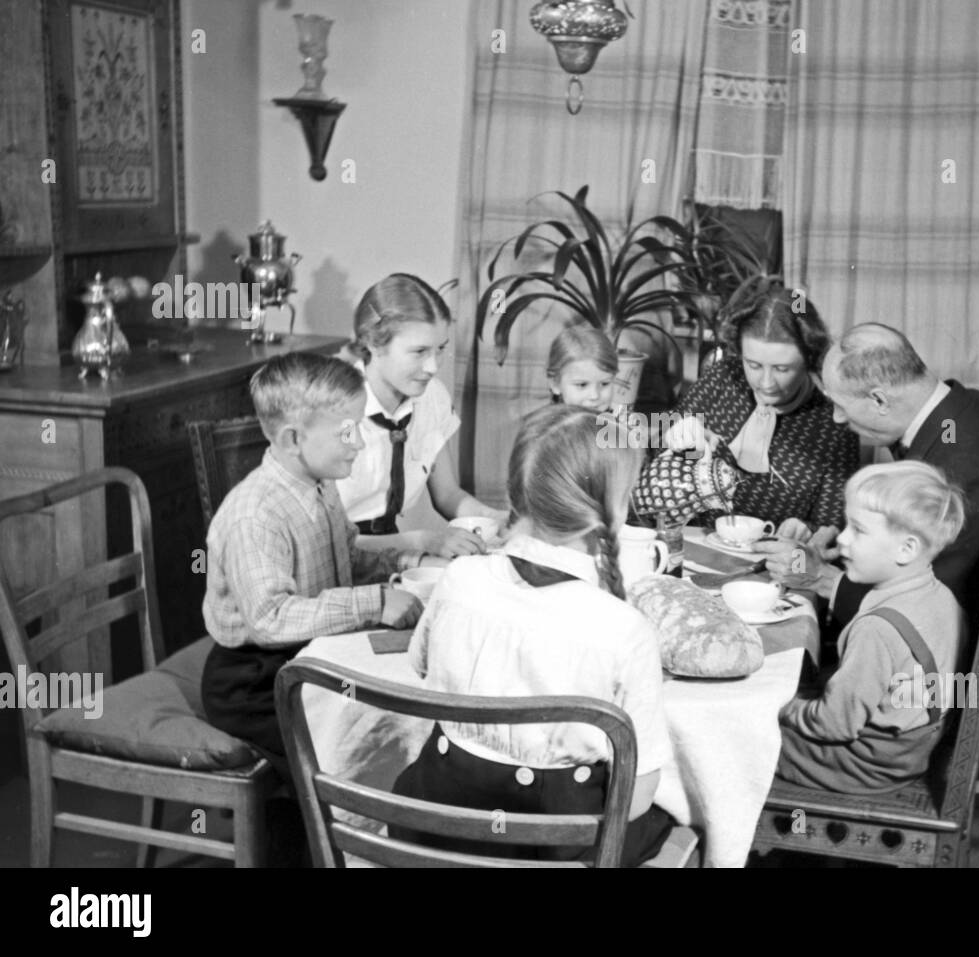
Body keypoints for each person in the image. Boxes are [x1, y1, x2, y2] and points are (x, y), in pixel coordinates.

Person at [761, 323, 979, 764]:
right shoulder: (969, 411)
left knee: (760, 716)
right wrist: (845, 551)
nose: (838, 419)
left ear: (880, 399)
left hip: (978, 697)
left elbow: (916, 603)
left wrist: (824, 580)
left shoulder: (960, 466)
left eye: (840, 406)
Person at [392, 405, 677, 865]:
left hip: (433, 824)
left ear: (516, 491)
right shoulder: (625, 630)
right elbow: (637, 795)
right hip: (554, 846)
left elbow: (420, 665)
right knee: (682, 821)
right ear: (613, 509)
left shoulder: (459, 579)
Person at [200, 352, 429, 771]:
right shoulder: (255, 514)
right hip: (254, 681)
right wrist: (375, 603)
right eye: (347, 432)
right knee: (362, 740)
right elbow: (271, 618)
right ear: (292, 440)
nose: (359, 442)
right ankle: (323, 828)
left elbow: (347, 555)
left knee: (406, 702)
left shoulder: (320, 483)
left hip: (310, 654)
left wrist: (415, 561)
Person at [777, 461, 967, 793]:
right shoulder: (942, 597)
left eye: (858, 529)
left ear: (906, 549)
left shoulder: (877, 629)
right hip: (908, 751)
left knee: (737, 737)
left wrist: (781, 707)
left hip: (863, 764)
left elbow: (834, 725)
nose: (844, 539)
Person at [661, 277, 859, 530]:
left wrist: (805, 531)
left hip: (771, 563)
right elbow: (664, 456)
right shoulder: (723, 377)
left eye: (782, 368)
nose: (766, 383)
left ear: (809, 358)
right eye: (753, 365)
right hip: (695, 544)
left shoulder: (834, 423)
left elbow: (832, 527)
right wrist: (679, 439)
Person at [337, 273, 508, 558]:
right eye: (419, 352)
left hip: (392, 552)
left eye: (440, 349)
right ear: (374, 344)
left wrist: (494, 518)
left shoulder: (431, 397)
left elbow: (448, 495)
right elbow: (328, 544)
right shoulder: (335, 407)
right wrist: (424, 542)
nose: (432, 366)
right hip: (336, 563)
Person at [547, 324, 619, 412]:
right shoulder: (548, 425)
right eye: (582, 385)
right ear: (555, 384)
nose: (595, 396)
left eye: (604, 384)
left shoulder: (617, 422)